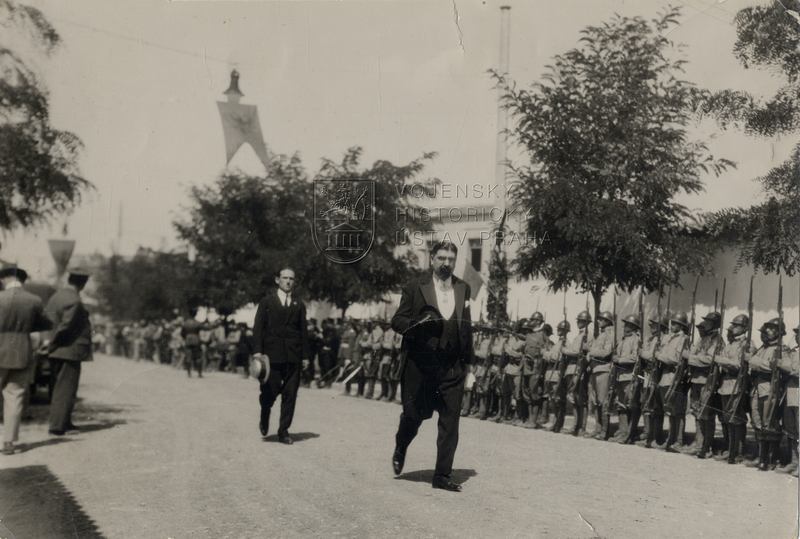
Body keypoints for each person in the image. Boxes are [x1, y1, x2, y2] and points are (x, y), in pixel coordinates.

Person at [391, 241, 474, 492]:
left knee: (450, 422)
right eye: (441, 258)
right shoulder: (415, 286)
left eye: (451, 259)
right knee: (414, 416)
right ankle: (401, 444)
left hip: (452, 368)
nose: (446, 263)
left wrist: (470, 367)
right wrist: (418, 325)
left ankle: (442, 475)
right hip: (421, 367)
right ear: (432, 259)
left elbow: (466, 329)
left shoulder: (463, 288)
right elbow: (397, 320)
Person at [252, 267, 310, 445]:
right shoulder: (267, 302)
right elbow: (258, 328)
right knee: (270, 391)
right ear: (277, 280)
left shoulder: (299, 304)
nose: (288, 281)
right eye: (285, 278)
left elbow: (303, 332)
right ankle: (265, 411)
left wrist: (305, 356)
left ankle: (283, 430)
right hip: (272, 356)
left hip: (293, 355)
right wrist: (257, 352)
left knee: (290, 394)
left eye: (291, 279)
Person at [0, 265, 52, 455]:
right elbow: (46, 323)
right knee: (15, 397)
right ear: (22, 280)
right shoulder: (34, 300)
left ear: (4, 279)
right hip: (22, 351)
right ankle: (9, 442)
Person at [44, 268, 93, 436]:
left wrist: (49, 344)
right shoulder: (74, 300)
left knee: (59, 386)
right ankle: (58, 426)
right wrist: (53, 343)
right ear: (83, 282)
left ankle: (64, 421)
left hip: (58, 350)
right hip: (68, 349)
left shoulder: (56, 297)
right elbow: (66, 327)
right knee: (67, 387)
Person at [684, 312, 724, 458]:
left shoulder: (716, 340)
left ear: (714, 324)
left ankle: (706, 446)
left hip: (707, 381)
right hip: (696, 379)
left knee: (706, 414)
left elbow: (709, 360)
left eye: (708, 321)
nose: (705, 323)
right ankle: (699, 442)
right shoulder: (703, 339)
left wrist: (690, 358)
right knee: (697, 412)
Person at [714, 314, 753, 464]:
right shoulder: (731, 344)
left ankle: (738, 452)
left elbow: (738, 364)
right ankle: (730, 449)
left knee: (736, 420)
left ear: (744, 328)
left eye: (737, 326)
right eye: (733, 325)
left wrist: (720, 360)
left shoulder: (746, 344)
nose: (733, 328)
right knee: (727, 419)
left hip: (737, 385)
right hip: (726, 385)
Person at [655, 312, 690, 453]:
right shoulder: (668, 338)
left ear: (681, 325)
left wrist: (659, 356)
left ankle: (679, 440)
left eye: (675, 324)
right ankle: (671, 439)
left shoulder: (683, 339)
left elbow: (676, 359)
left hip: (675, 377)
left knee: (678, 411)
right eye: (672, 323)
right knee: (669, 410)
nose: (672, 326)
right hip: (665, 376)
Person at [611, 315, 640, 442]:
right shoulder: (622, 340)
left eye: (628, 325)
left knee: (631, 404)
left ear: (633, 327)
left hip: (629, 376)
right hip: (619, 376)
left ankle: (630, 433)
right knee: (621, 404)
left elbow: (635, 358)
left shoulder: (636, 340)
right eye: (625, 325)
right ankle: (622, 431)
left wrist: (620, 360)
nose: (625, 327)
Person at [586, 311, 615, 439]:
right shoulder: (601, 334)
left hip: (603, 370)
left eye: (601, 319)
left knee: (603, 402)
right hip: (595, 369)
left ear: (608, 321)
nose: (599, 321)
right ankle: (597, 429)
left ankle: (604, 431)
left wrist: (591, 352)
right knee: (596, 401)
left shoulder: (610, 334)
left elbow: (606, 352)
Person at [776, 326, 799, 475]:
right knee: (791, 428)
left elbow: (795, 369)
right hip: (791, 391)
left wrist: (783, 364)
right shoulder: (794, 351)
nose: (797, 336)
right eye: (797, 333)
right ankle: (794, 461)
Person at [182, 309, 203, 377]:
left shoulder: (185, 323)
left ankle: (189, 373)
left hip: (188, 339)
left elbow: (182, 333)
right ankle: (199, 373)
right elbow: (202, 330)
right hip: (196, 339)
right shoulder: (197, 323)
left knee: (188, 356)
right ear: (195, 314)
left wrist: (186, 337)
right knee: (198, 357)